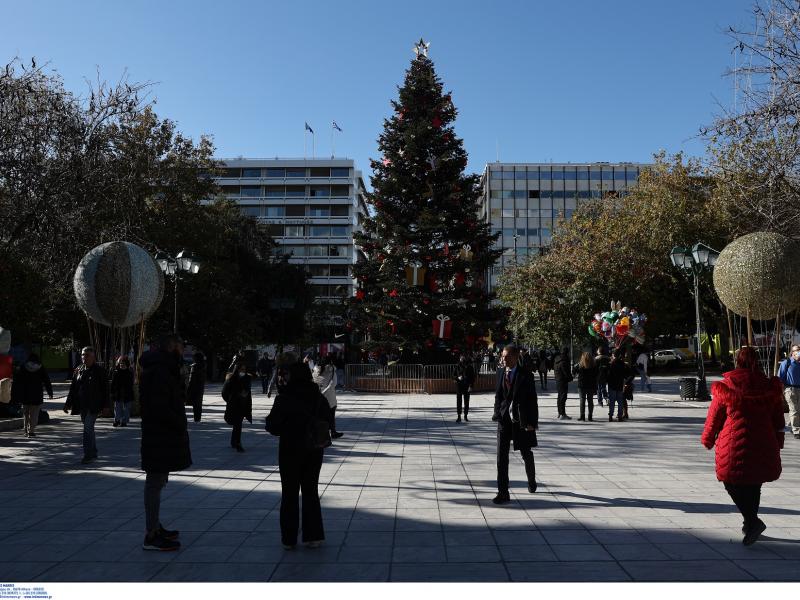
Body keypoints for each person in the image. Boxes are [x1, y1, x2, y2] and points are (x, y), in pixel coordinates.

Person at [701, 346, 785, 545]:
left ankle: (752, 522)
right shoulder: (769, 386)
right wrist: (778, 441)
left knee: (730, 481)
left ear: (737, 361)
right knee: (754, 483)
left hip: (734, 441)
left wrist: (708, 438)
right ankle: (750, 523)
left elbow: (714, 417)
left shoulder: (727, 385)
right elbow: (778, 419)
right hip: (764, 440)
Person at [265, 359, 333, 550]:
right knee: (310, 491)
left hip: (290, 449)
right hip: (313, 449)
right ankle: (313, 536)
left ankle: (289, 538)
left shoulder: (284, 397)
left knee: (289, 493)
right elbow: (329, 419)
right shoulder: (318, 396)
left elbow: (273, 426)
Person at [139, 334, 192, 551]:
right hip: (159, 434)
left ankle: (155, 526)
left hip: (160, 434)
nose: (183, 351)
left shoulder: (162, 368)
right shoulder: (160, 370)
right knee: (154, 483)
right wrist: (178, 422)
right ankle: (151, 534)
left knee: (158, 482)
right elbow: (160, 406)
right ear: (172, 348)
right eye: (181, 347)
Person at [492, 345, 539, 504]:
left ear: (515, 357)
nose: (503, 359)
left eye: (506, 357)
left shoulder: (526, 375)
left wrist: (532, 422)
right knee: (501, 458)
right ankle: (503, 492)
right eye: (502, 356)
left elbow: (532, 400)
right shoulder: (500, 372)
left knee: (526, 453)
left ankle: (531, 481)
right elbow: (498, 396)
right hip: (504, 422)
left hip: (521, 422)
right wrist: (497, 413)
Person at [64, 347, 109, 464]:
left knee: (87, 429)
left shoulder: (100, 371)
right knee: (89, 429)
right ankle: (93, 452)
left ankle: (88, 455)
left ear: (93, 357)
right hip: (82, 405)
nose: (84, 357)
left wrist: (106, 406)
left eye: (87, 355)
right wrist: (68, 403)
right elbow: (73, 388)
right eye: (83, 355)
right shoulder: (79, 369)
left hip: (94, 405)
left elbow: (105, 390)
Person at [12, 353, 53, 438]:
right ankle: (31, 431)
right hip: (36, 394)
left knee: (26, 413)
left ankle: (25, 430)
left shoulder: (23, 367)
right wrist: (50, 393)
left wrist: (15, 394)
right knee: (34, 414)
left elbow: (17, 381)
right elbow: (47, 381)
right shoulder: (41, 368)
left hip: (25, 394)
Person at [222, 355, 253, 453]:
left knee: (238, 424)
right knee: (236, 423)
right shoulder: (231, 379)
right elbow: (224, 392)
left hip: (242, 404)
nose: (243, 371)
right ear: (237, 369)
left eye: (244, 369)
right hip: (233, 405)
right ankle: (235, 442)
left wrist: (245, 394)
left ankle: (236, 442)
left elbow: (248, 391)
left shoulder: (247, 378)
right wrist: (230, 400)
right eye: (241, 369)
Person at [313, 356, 342, 438]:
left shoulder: (315, 371)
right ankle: (333, 432)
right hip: (329, 397)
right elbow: (334, 383)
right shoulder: (331, 371)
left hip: (318, 396)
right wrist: (325, 392)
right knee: (331, 415)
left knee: (320, 416)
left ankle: (321, 433)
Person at [777, 344, 800, 439]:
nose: (798, 352)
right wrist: (780, 390)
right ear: (792, 352)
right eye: (796, 350)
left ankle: (791, 425)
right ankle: (796, 431)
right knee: (794, 409)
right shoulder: (786, 363)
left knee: (797, 410)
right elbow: (779, 378)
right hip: (790, 389)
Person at [110, 356, 134, 427]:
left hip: (127, 393)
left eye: (123, 364)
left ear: (126, 364)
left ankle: (124, 421)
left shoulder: (129, 373)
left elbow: (131, 383)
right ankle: (117, 420)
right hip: (118, 393)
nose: (122, 365)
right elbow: (113, 383)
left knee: (126, 408)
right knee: (117, 407)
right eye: (121, 363)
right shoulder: (116, 372)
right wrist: (112, 392)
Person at [575, 352, 599, 422]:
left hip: (582, 385)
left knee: (582, 401)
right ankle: (590, 416)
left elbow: (574, 371)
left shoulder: (580, 366)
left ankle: (582, 416)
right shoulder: (594, 366)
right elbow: (596, 375)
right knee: (590, 401)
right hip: (590, 385)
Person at [606, 350, 630, 422]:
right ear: (619, 355)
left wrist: (607, 381)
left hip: (612, 385)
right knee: (620, 401)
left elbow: (608, 375)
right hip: (620, 384)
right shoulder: (622, 364)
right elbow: (626, 374)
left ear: (613, 355)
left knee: (612, 401)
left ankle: (610, 416)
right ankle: (620, 416)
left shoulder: (611, 364)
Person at [453, 354, 476, 423]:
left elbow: (472, 378)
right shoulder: (457, 366)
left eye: (463, 358)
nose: (462, 359)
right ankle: (459, 416)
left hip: (467, 385)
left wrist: (471, 386)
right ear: (460, 359)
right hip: (459, 386)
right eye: (461, 358)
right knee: (459, 401)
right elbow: (453, 376)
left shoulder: (470, 367)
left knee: (466, 401)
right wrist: (457, 378)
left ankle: (465, 416)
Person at [553, 347, 573, 419]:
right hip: (563, 380)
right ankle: (562, 413)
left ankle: (560, 413)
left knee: (560, 397)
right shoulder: (563, 361)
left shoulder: (557, 359)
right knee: (563, 397)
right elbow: (566, 372)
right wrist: (570, 378)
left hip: (558, 379)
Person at [187, 352, 206, 423]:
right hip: (200, 387)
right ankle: (198, 418)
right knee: (198, 403)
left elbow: (192, 379)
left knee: (195, 403)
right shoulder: (203, 366)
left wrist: (189, 388)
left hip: (194, 387)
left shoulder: (194, 366)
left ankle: (196, 418)